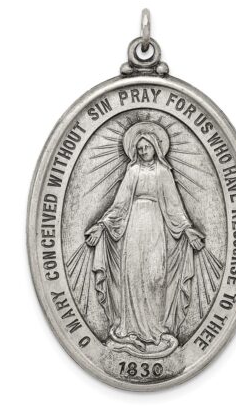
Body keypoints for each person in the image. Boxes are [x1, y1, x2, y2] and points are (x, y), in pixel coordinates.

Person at [84, 122, 205, 351]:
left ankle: (155, 329)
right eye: (139, 149)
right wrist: (102, 225)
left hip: (156, 227)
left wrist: (187, 229)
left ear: (155, 147)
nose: (142, 152)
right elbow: (120, 204)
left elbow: (174, 206)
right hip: (133, 228)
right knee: (133, 274)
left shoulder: (163, 173)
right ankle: (131, 330)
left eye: (146, 147)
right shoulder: (133, 172)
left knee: (155, 276)